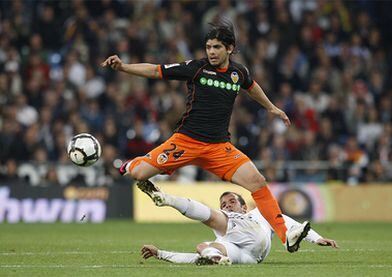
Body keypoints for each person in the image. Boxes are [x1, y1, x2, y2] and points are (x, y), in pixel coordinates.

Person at [101, 22, 303, 252]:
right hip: (185, 141)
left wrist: (271, 107)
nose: (211, 52)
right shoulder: (197, 68)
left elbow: (251, 86)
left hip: (219, 147)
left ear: (230, 48)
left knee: (258, 182)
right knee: (138, 174)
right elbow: (156, 70)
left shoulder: (239, 73)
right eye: (208, 47)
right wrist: (124, 67)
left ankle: (286, 236)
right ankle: (130, 164)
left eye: (216, 47)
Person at [138, 180, 338, 265]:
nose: (227, 206)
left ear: (244, 207)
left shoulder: (257, 214)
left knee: (212, 217)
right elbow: (193, 259)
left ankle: (167, 199)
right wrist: (160, 254)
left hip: (254, 233)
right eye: (224, 204)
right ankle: (216, 260)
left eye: (231, 202)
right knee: (203, 248)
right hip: (247, 256)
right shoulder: (224, 237)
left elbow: (286, 220)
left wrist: (317, 238)